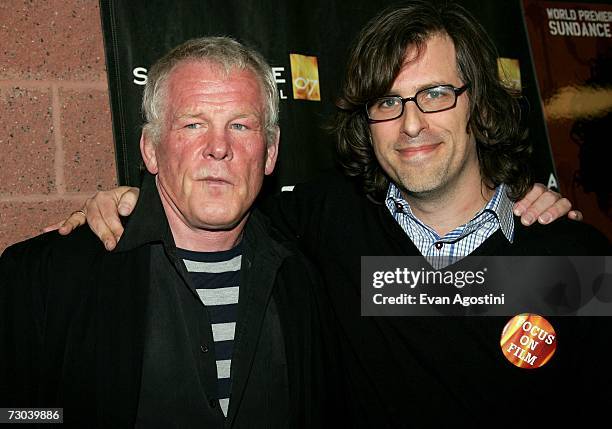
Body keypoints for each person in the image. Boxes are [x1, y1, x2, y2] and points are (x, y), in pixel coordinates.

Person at [50, 1, 611, 427]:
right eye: (387, 102)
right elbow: (212, 201)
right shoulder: (327, 221)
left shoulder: (575, 260)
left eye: (435, 93)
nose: (412, 124)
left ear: (480, 103)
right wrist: (132, 203)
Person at [0, 37, 327, 427]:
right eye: (193, 124)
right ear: (151, 149)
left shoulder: (303, 280)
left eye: (240, 125)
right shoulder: (47, 277)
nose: (218, 148)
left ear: (270, 152)